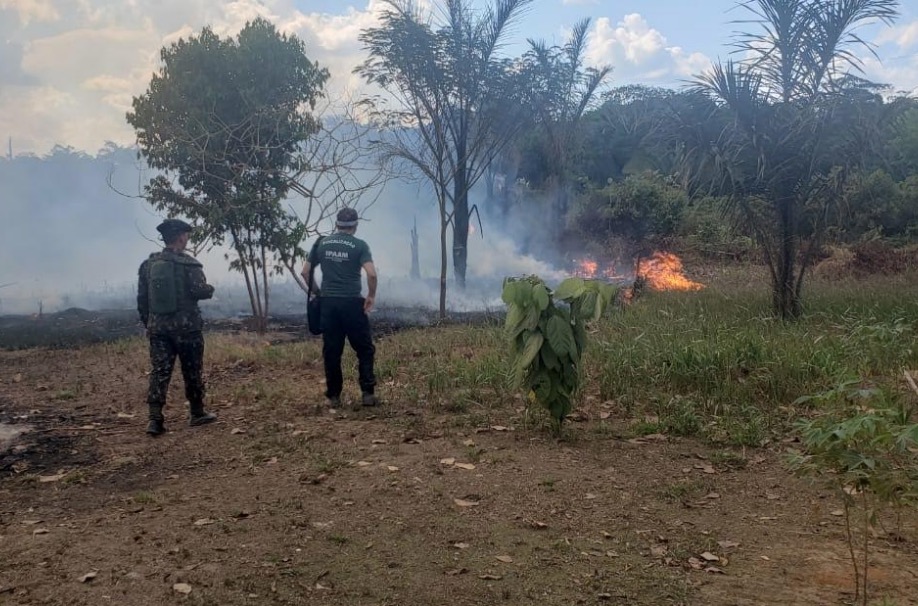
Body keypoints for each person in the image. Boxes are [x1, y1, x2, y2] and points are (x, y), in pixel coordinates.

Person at [137, 218, 217, 436]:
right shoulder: (190, 264)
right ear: (181, 237)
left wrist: (150, 324)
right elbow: (199, 290)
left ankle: (154, 419)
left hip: (159, 329)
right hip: (187, 328)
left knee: (160, 371)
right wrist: (210, 289)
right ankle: (197, 412)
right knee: (192, 369)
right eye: (186, 235)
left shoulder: (148, 266)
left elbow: (142, 300)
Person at [301, 208, 379, 409]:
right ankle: (368, 394)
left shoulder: (321, 243)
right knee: (364, 349)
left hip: (329, 304)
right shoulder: (360, 246)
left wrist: (318, 293)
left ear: (336, 224)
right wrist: (370, 296)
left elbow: (305, 272)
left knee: (332, 351)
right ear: (355, 225)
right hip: (353, 303)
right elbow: (371, 274)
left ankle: (334, 396)